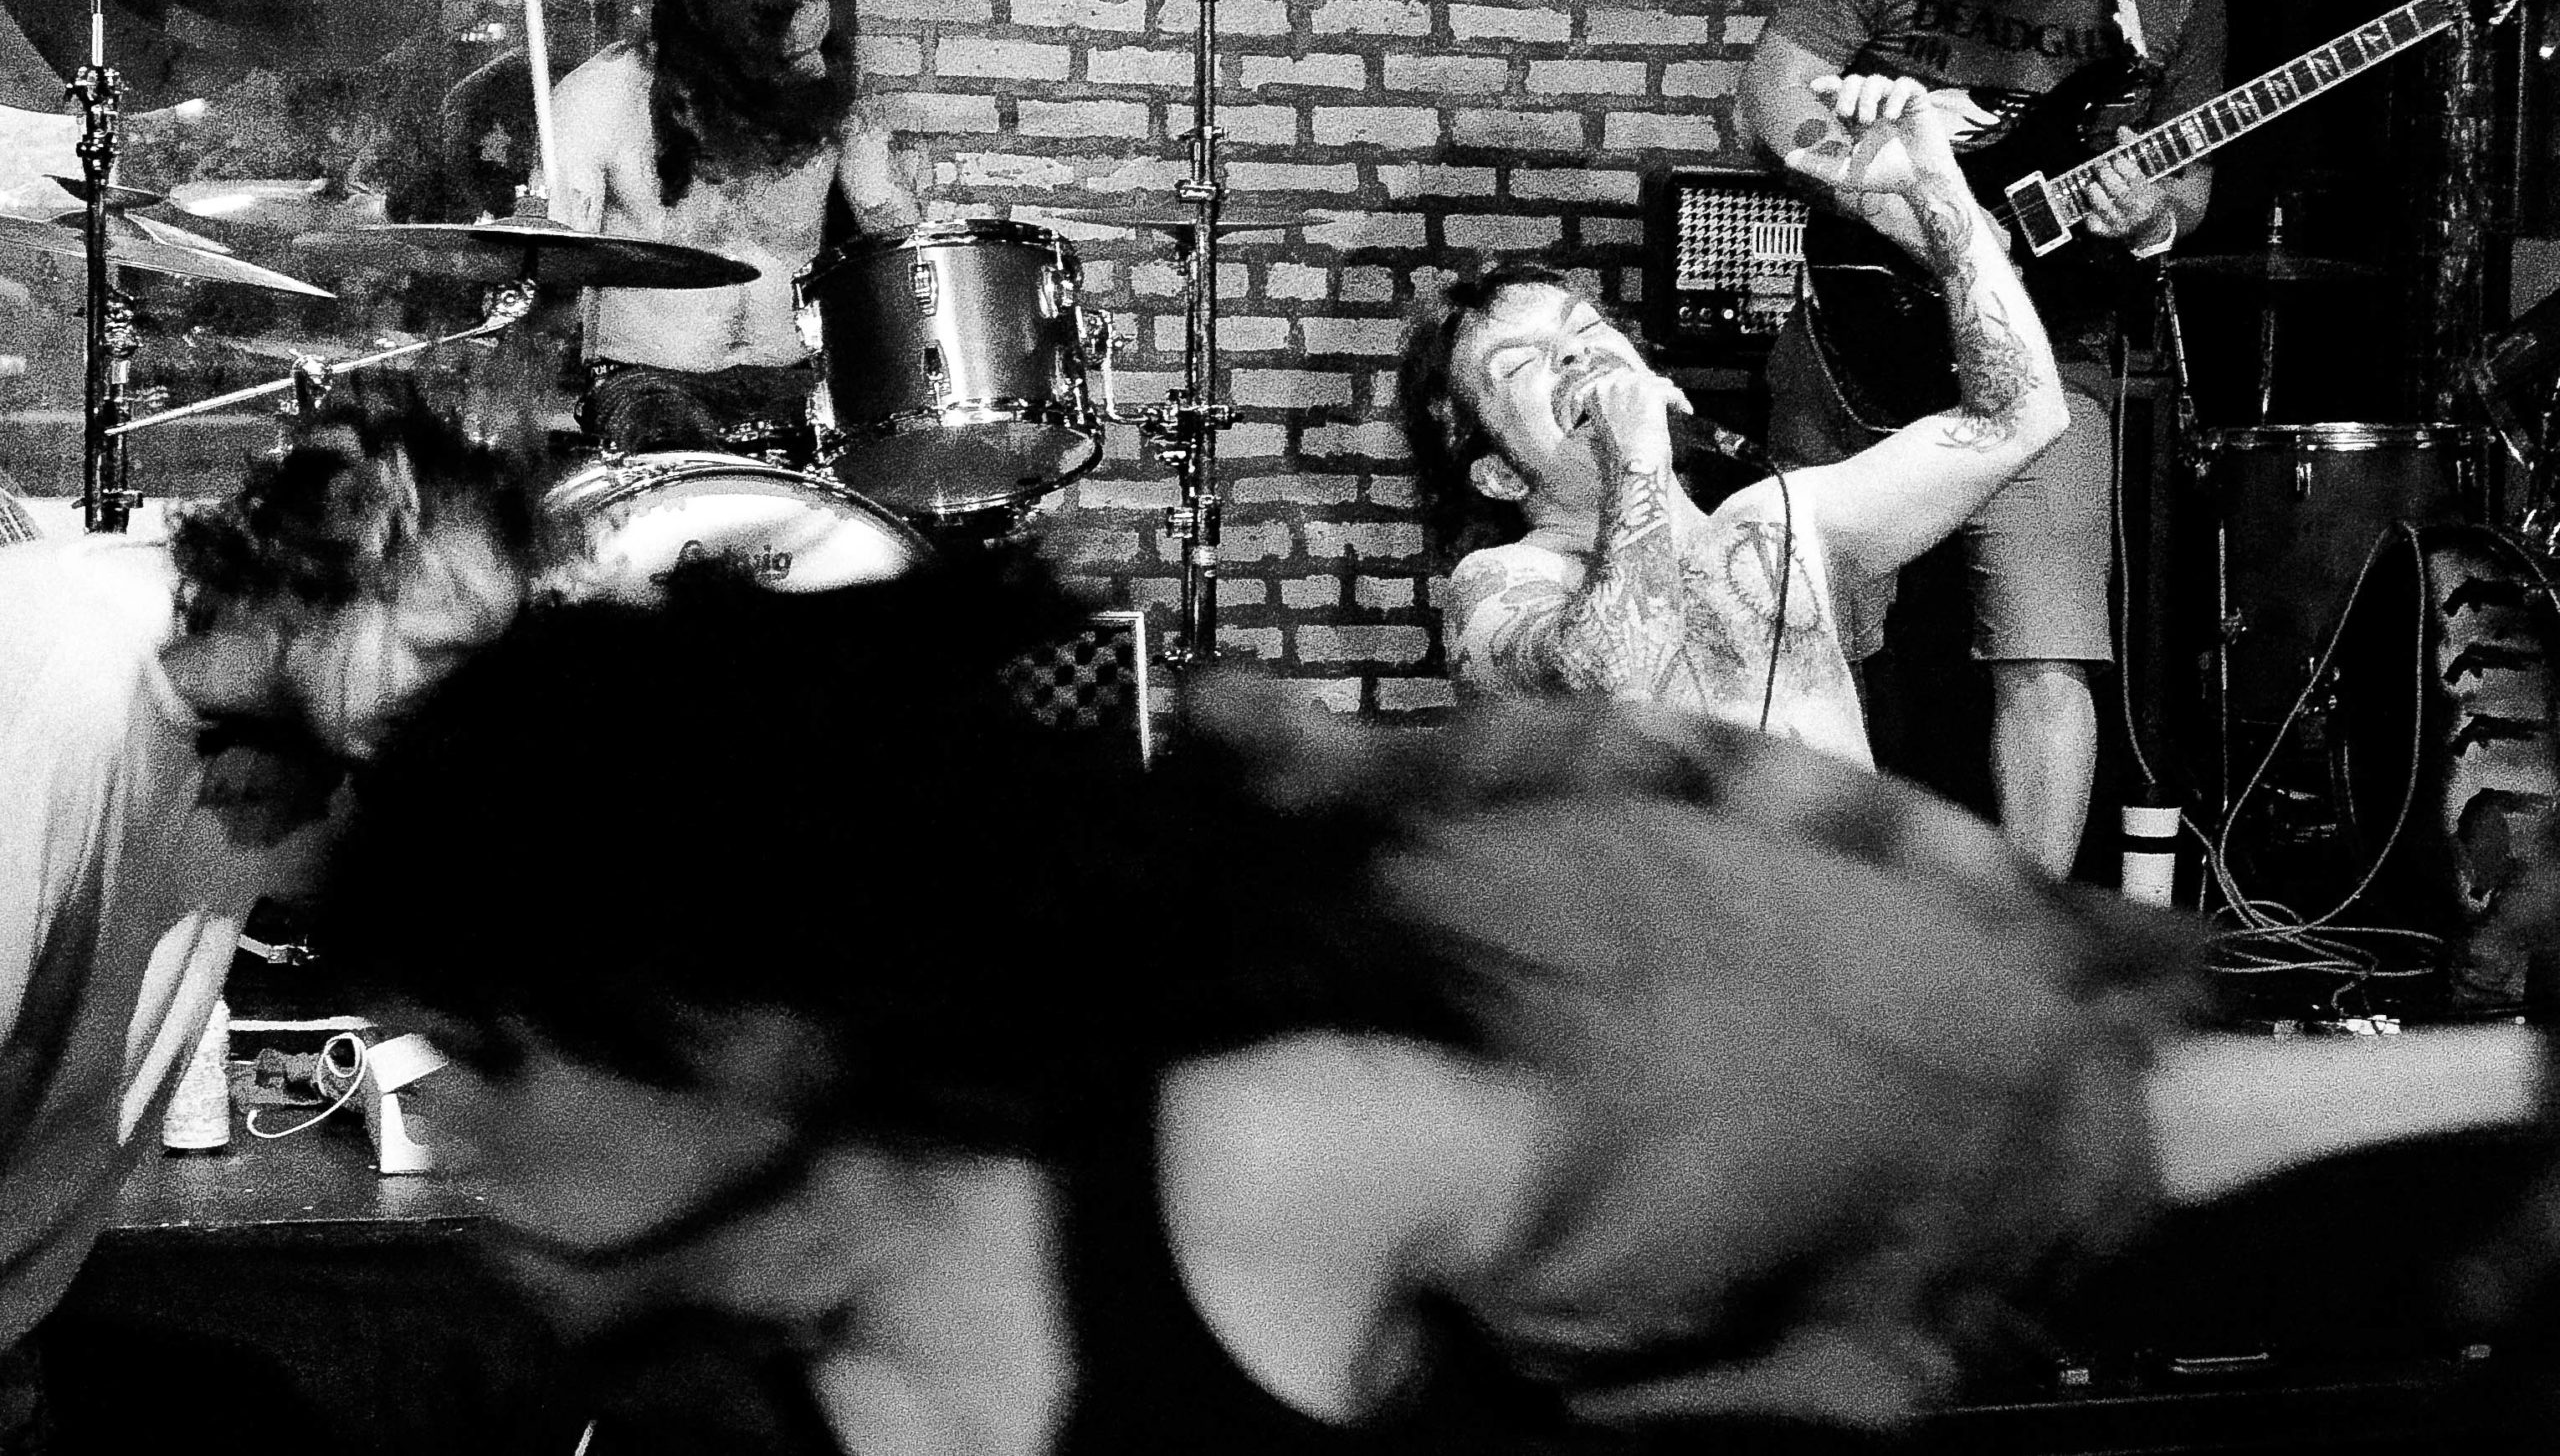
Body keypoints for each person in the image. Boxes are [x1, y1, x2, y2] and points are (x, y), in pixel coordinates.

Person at [308, 561, 2558, 1454]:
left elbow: (2041, 1137)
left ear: (739, 1027)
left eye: (490, 1053)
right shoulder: (727, 1361)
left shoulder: (1264, 1146)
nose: (452, 1133)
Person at [0, 394, 537, 1432]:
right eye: (435, 654)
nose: (452, 707)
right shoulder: (62, 680)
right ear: (314, 582)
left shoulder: (264, 722)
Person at [1740, 0, 2226, 870]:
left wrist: (2148, 212)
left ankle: (2027, 934)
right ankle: (1822, 908)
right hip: (1865, 324)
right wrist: (1935, 229)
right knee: (1808, 631)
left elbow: (2191, 185)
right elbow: (1771, 97)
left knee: (2048, 652)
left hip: (2051, 344)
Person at [1404, 73, 2067, 768]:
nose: (1573, 353)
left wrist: (1932, 183)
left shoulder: (1775, 525)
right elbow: (1619, 685)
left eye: (1585, 328)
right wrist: (1637, 454)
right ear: (1500, 474)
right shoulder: (1498, 583)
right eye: (1520, 365)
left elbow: (2018, 415)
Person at [542, 0, 925, 456]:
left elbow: (900, 241)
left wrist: (891, 185)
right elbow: (549, 259)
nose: (818, 69)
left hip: (798, 380)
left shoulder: (825, 99)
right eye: (793, 57)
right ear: (727, 54)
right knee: (688, 469)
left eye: (821, 44)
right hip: (650, 383)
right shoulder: (603, 96)